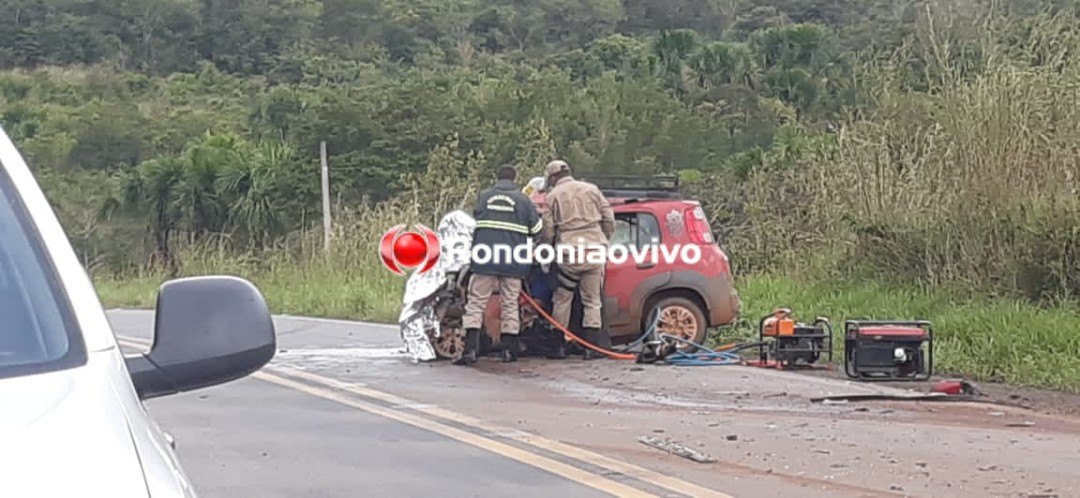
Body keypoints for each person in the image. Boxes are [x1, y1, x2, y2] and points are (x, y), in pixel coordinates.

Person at [457, 164, 543, 365]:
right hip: (513, 261)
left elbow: (475, 222)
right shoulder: (523, 200)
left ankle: (470, 350)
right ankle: (509, 351)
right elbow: (537, 229)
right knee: (510, 302)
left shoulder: (484, 197)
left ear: (498, 177)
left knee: (476, 302)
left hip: (484, 259)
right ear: (515, 178)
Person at [540, 160, 615, 359]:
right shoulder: (592, 189)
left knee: (562, 299)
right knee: (592, 300)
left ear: (553, 177)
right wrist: (603, 239)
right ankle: (592, 347)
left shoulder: (552, 196)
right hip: (594, 250)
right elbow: (609, 218)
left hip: (569, 252)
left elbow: (547, 230)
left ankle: (558, 346)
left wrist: (547, 249)